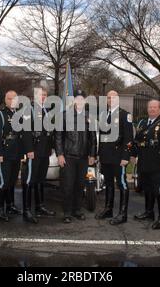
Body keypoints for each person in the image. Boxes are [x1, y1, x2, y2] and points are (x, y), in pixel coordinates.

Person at [131, 100, 160, 230]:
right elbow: (136, 140)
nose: (152, 109)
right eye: (150, 107)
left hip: (159, 162)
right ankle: (149, 212)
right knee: (148, 188)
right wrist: (133, 154)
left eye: (155, 107)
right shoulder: (142, 123)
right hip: (144, 161)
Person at [55, 90, 97, 224]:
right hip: (68, 157)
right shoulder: (64, 116)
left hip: (84, 157)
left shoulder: (89, 117)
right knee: (67, 185)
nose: (79, 101)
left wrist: (92, 154)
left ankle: (77, 210)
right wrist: (60, 154)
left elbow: (93, 138)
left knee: (80, 185)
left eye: (82, 99)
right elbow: (58, 137)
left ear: (85, 101)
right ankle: (67, 212)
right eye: (77, 99)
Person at [95, 90, 133, 225]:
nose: (111, 100)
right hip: (106, 156)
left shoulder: (124, 115)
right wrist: (99, 154)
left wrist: (126, 156)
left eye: (114, 97)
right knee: (109, 184)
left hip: (118, 157)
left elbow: (128, 139)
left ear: (118, 99)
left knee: (122, 184)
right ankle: (108, 209)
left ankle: (123, 214)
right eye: (109, 98)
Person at [21, 87, 56, 224]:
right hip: (34, 151)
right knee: (29, 180)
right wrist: (29, 149)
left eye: (45, 95)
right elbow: (26, 131)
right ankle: (27, 210)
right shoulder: (29, 109)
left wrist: (52, 147)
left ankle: (40, 206)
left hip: (45, 151)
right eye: (41, 95)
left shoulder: (47, 110)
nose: (43, 97)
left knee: (40, 180)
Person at [0, 91, 24, 222]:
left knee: (12, 181)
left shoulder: (18, 115)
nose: (12, 101)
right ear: (5, 100)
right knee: (3, 182)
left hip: (16, 154)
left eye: (14, 99)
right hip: (4, 154)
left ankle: (10, 206)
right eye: (9, 99)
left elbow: (21, 135)